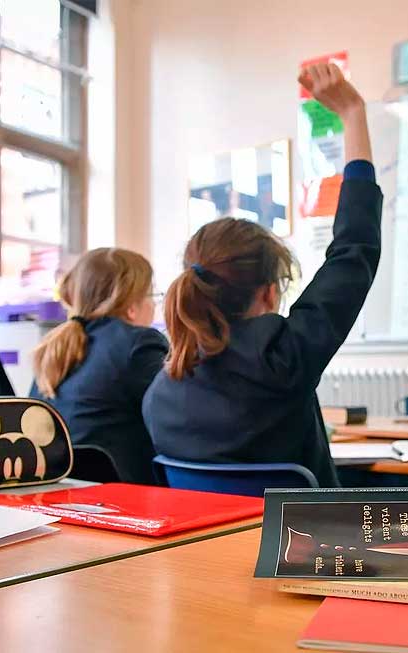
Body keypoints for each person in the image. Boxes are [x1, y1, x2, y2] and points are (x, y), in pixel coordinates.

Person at [143, 64, 383, 487]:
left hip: (204, 555)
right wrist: (352, 114)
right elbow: (354, 249)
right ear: (269, 295)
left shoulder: (160, 393)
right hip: (307, 552)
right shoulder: (284, 358)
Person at [31, 248, 168, 483]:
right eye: (152, 296)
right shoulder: (139, 343)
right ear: (132, 306)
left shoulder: (55, 348)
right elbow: (171, 421)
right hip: (126, 497)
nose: (154, 306)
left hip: (61, 492)